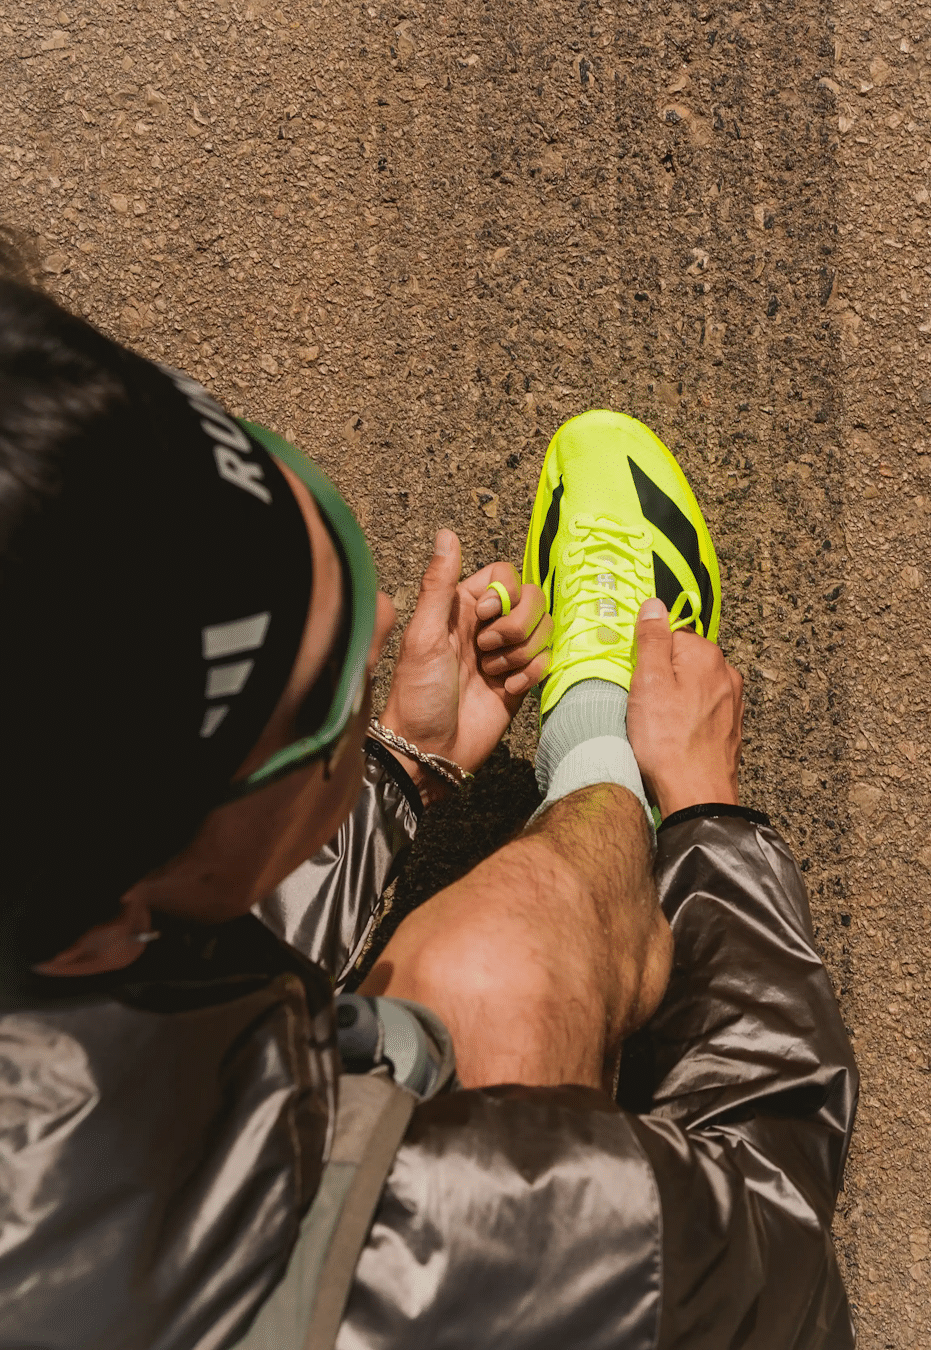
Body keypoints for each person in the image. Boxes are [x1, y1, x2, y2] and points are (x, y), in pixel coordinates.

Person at [0, 278, 858, 1350]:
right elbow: (768, 1242)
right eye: (331, 707)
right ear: (96, 926)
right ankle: (608, 753)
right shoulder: (400, 1278)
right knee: (498, 975)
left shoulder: (44, 917)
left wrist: (399, 762)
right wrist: (708, 813)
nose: (378, 635)